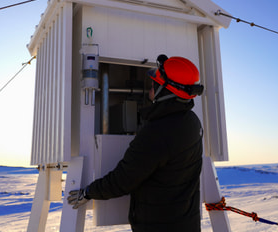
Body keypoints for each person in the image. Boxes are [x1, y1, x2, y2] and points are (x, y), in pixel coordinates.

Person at [68, 54, 204, 232]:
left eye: (155, 83)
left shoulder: (158, 132)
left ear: (166, 90)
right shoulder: (192, 121)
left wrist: (88, 192)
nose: (151, 85)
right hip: (187, 224)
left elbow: (123, 180)